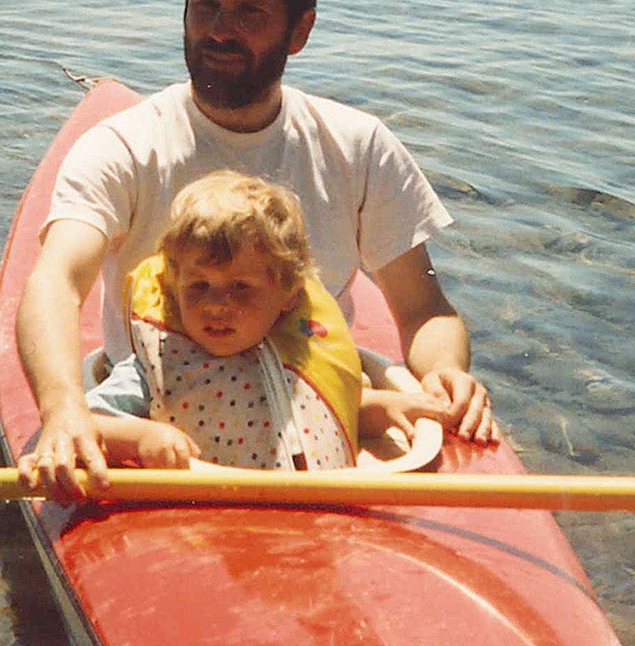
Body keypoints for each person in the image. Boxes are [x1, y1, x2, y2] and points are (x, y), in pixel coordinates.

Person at [18, 0, 502, 499]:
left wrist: (447, 375)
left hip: (314, 405)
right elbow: (56, 281)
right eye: (207, 6)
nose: (220, 30)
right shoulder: (122, 145)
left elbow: (423, 306)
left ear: (300, 30)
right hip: (166, 428)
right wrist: (64, 410)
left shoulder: (360, 145)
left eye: (250, 12)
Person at [83, 170, 444, 471]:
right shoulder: (155, 365)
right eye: (198, 286)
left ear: (287, 294)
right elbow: (89, 423)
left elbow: (305, 418)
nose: (216, 304)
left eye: (240, 287)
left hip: (318, 516)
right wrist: (144, 437)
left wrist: (378, 408)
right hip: (207, 521)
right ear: (176, 288)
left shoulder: (305, 354)